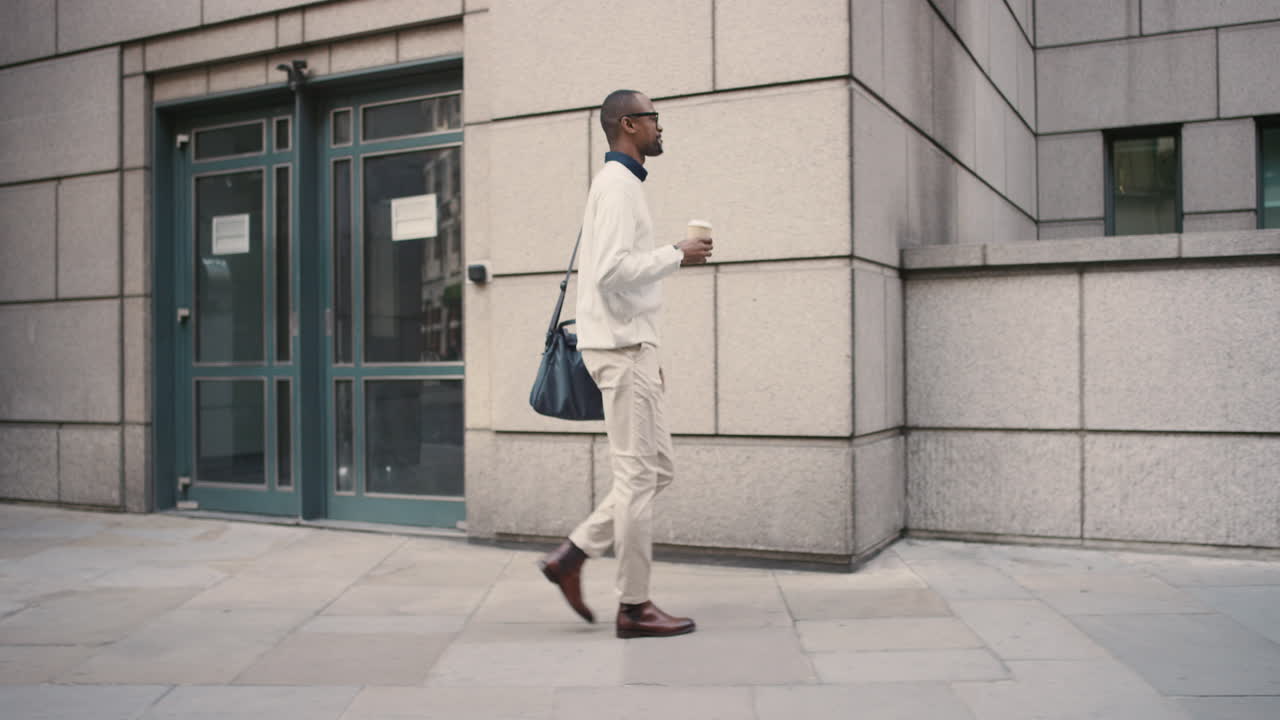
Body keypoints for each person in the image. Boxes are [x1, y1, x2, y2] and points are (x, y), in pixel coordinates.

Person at [538, 89, 713, 639]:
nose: (662, 127)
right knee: (638, 477)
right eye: (655, 118)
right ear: (631, 124)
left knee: (657, 470)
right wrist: (675, 254)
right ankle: (634, 607)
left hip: (631, 346)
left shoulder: (623, 185)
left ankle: (573, 555)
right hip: (620, 349)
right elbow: (611, 271)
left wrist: (649, 350)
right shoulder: (616, 187)